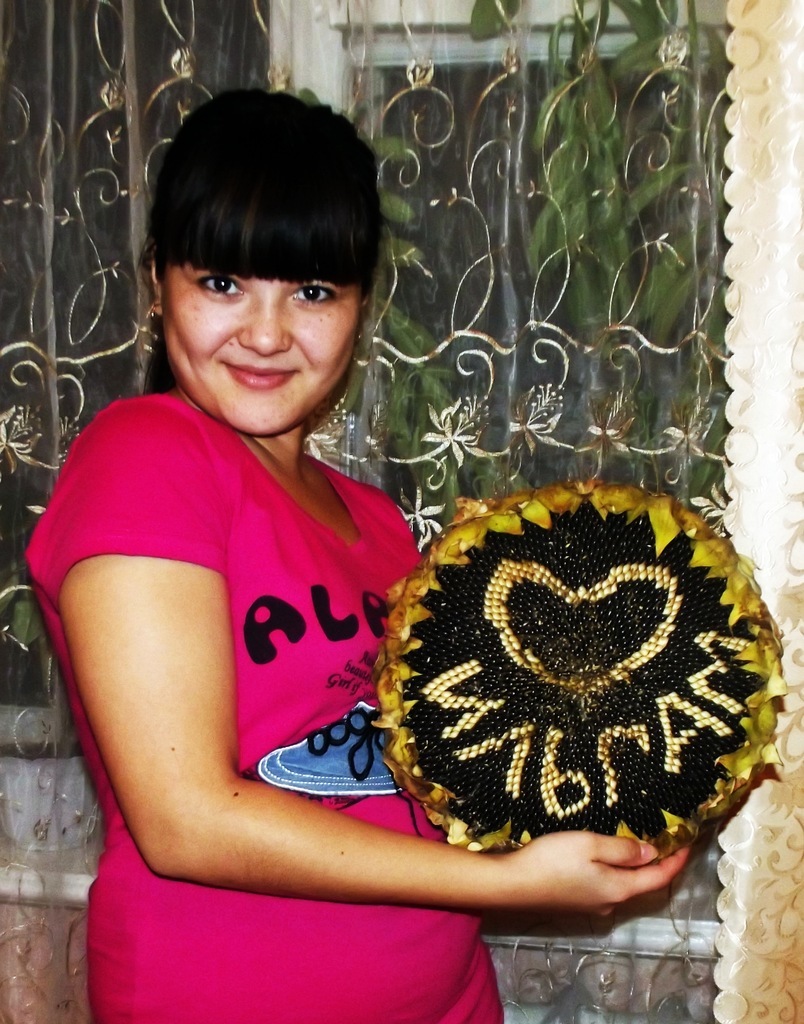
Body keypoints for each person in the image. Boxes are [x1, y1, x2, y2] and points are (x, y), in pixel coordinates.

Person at [26, 89, 688, 1024]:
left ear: (359, 306)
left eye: (312, 292)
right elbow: (186, 818)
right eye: (222, 283)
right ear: (156, 282)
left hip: (449, 998)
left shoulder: (376, 523)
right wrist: (510, 882)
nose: (266, 333)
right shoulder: (147, 455)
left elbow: (431, 777)